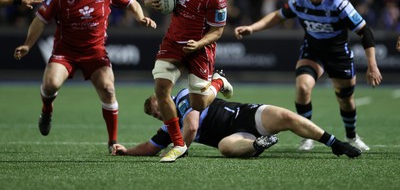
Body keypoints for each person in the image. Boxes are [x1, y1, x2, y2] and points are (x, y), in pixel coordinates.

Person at [13, 0, 157, 152]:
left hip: (95, 51)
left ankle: (112, 142)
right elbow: (40, 20)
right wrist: (28, 45)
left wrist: (141, 18)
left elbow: (132, 2)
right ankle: (46, 110)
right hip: (66, 51)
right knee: (50, 85)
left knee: (108, 89)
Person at [234, 0, 382, 152]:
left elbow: (364, 31)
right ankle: (307, 137)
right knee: (303, 88)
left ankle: (351, 136)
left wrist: (372, 65)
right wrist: (252, 28)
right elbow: (278, 16)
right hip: (313, 51)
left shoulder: (337, 2)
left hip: (338, 54)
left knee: (346, 100)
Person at [144, 0, 232, 162]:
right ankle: (179, 144)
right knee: (162, 88)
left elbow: (218, 31)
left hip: (200, 48)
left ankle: (218, 82)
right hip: (173, 42)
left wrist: (198, 43)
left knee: (198, 104)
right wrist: (150, 2)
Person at [111, 87, 361, 159]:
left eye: (160, 110)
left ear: (167, 99)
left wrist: (180, 149)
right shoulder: (170, 126)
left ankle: (335, 143)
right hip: (236, 136)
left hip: (245, 115)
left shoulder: (186, 97)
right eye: (157, 116)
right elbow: (151, 147)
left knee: (287, 117)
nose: (162, 116)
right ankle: (259, 145)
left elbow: (193, 126)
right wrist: (126, 151)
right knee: (225, 148)